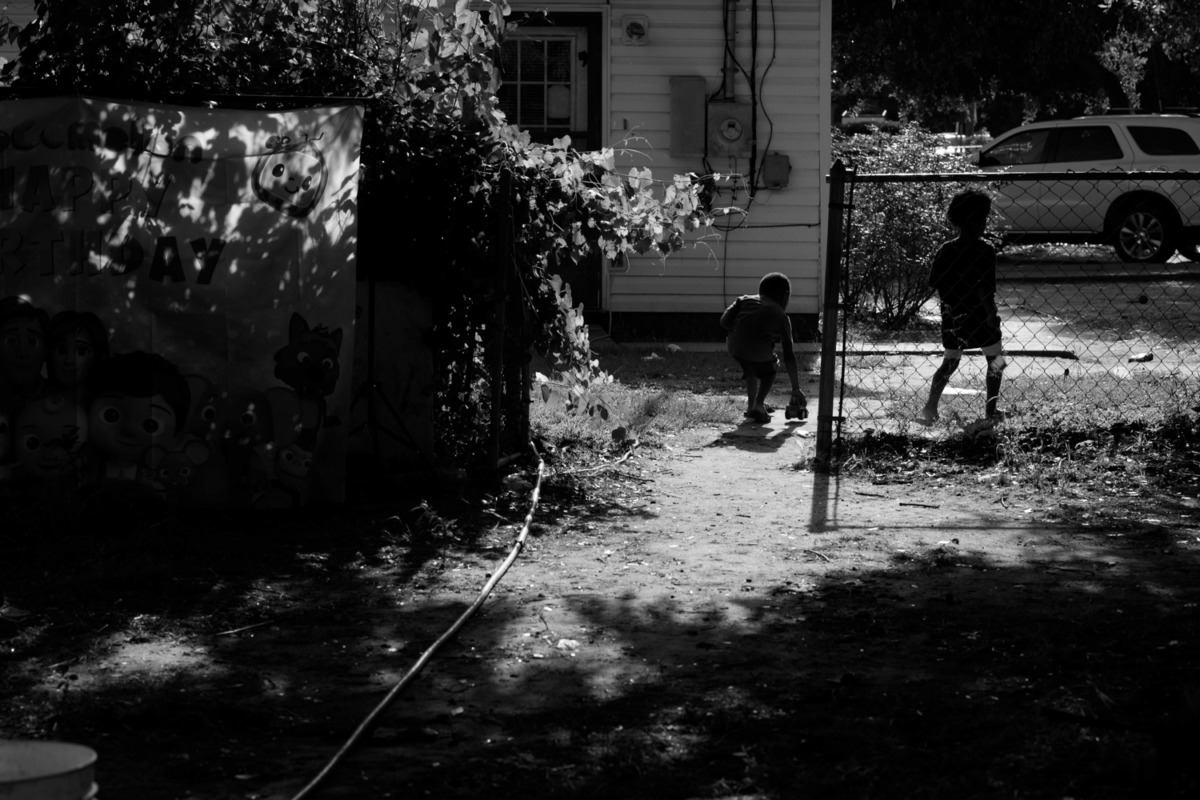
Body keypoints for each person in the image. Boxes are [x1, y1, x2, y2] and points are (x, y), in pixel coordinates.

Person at [919, 189, 1005, 426]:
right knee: (996, 360)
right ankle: (991, 409)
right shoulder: (985, 250)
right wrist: (991, 317)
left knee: (950, 361)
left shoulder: (946, 249)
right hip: (981, 316)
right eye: (984, 217)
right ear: (977, 221)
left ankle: (930, 407)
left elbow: (933, 282)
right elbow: (985, 290)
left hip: (954, 317)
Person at [720, 272, 806, 424]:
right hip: (758, 351)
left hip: (735, 348)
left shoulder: (744, 299)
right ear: (785, 296)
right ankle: (758, 405)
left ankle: (751, 405)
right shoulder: (781, 316)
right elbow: (789, 354)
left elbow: (724, 321)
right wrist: (795, 388)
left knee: (751, 368)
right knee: (771, 365)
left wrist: (741, 330)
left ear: (761, 291)